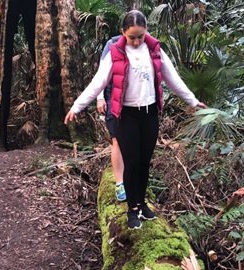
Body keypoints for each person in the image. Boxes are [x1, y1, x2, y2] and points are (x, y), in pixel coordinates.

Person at [64, 10, 207, 230]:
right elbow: (97, 83)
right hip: (126, 115)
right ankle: (132, 210)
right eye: (132, 37)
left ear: (146, 30)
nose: (136, 41)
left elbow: (172, 78)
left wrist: (192, 100)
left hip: (149, 114)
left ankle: (142, 204)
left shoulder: (155, 50)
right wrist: (77, 106)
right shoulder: (115, 52)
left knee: (144, 163)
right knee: (131, 163)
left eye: (140, 36)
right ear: (123, 32)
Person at [96, 35, 126, 202]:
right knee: (117, 139)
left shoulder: (145, 44)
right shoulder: (112, 44)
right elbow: (102, 72)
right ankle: (120, 183)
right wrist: (100, 97)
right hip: (112, 95)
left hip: (133, 98)